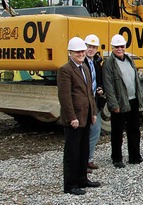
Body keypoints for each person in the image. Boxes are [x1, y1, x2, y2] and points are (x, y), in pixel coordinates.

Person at [57, 37, 101, 195]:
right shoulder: (65, 70)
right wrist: (71, 117)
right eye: (78, 52)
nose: (81, 54)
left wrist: (93, 112)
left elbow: (90, 93)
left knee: (83, 150)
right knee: (72, 152)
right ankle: (70, 185)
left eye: (82, 51)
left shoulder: (84, 67)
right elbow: (65, 97)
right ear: (70, 53)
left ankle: (82, 178)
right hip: (74, 118)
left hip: (86, 116)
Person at [103, 34, 143, 169]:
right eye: (117, 47)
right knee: (117, 132)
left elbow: (135, 80)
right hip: (120, 102)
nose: (119, 49)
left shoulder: (129, 60)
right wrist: (113, 104)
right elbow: (108, 85)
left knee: (134, 130)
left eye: (121, 46)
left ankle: (135, 157)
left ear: (125, 47)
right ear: (112, 48)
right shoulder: (109, 63)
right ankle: (117, 158)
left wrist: (139, 97)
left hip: (132, 100)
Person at [83, 34, 104, 172]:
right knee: (85, 133)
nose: (90, 49)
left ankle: (88, 159)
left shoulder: (95, 63)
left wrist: (100, 89)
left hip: (94, 101)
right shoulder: (81, 63)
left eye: (93, 47)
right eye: (88, 46)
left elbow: (98, 79)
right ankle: (83, 162)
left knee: (95, 130)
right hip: (84, 103)